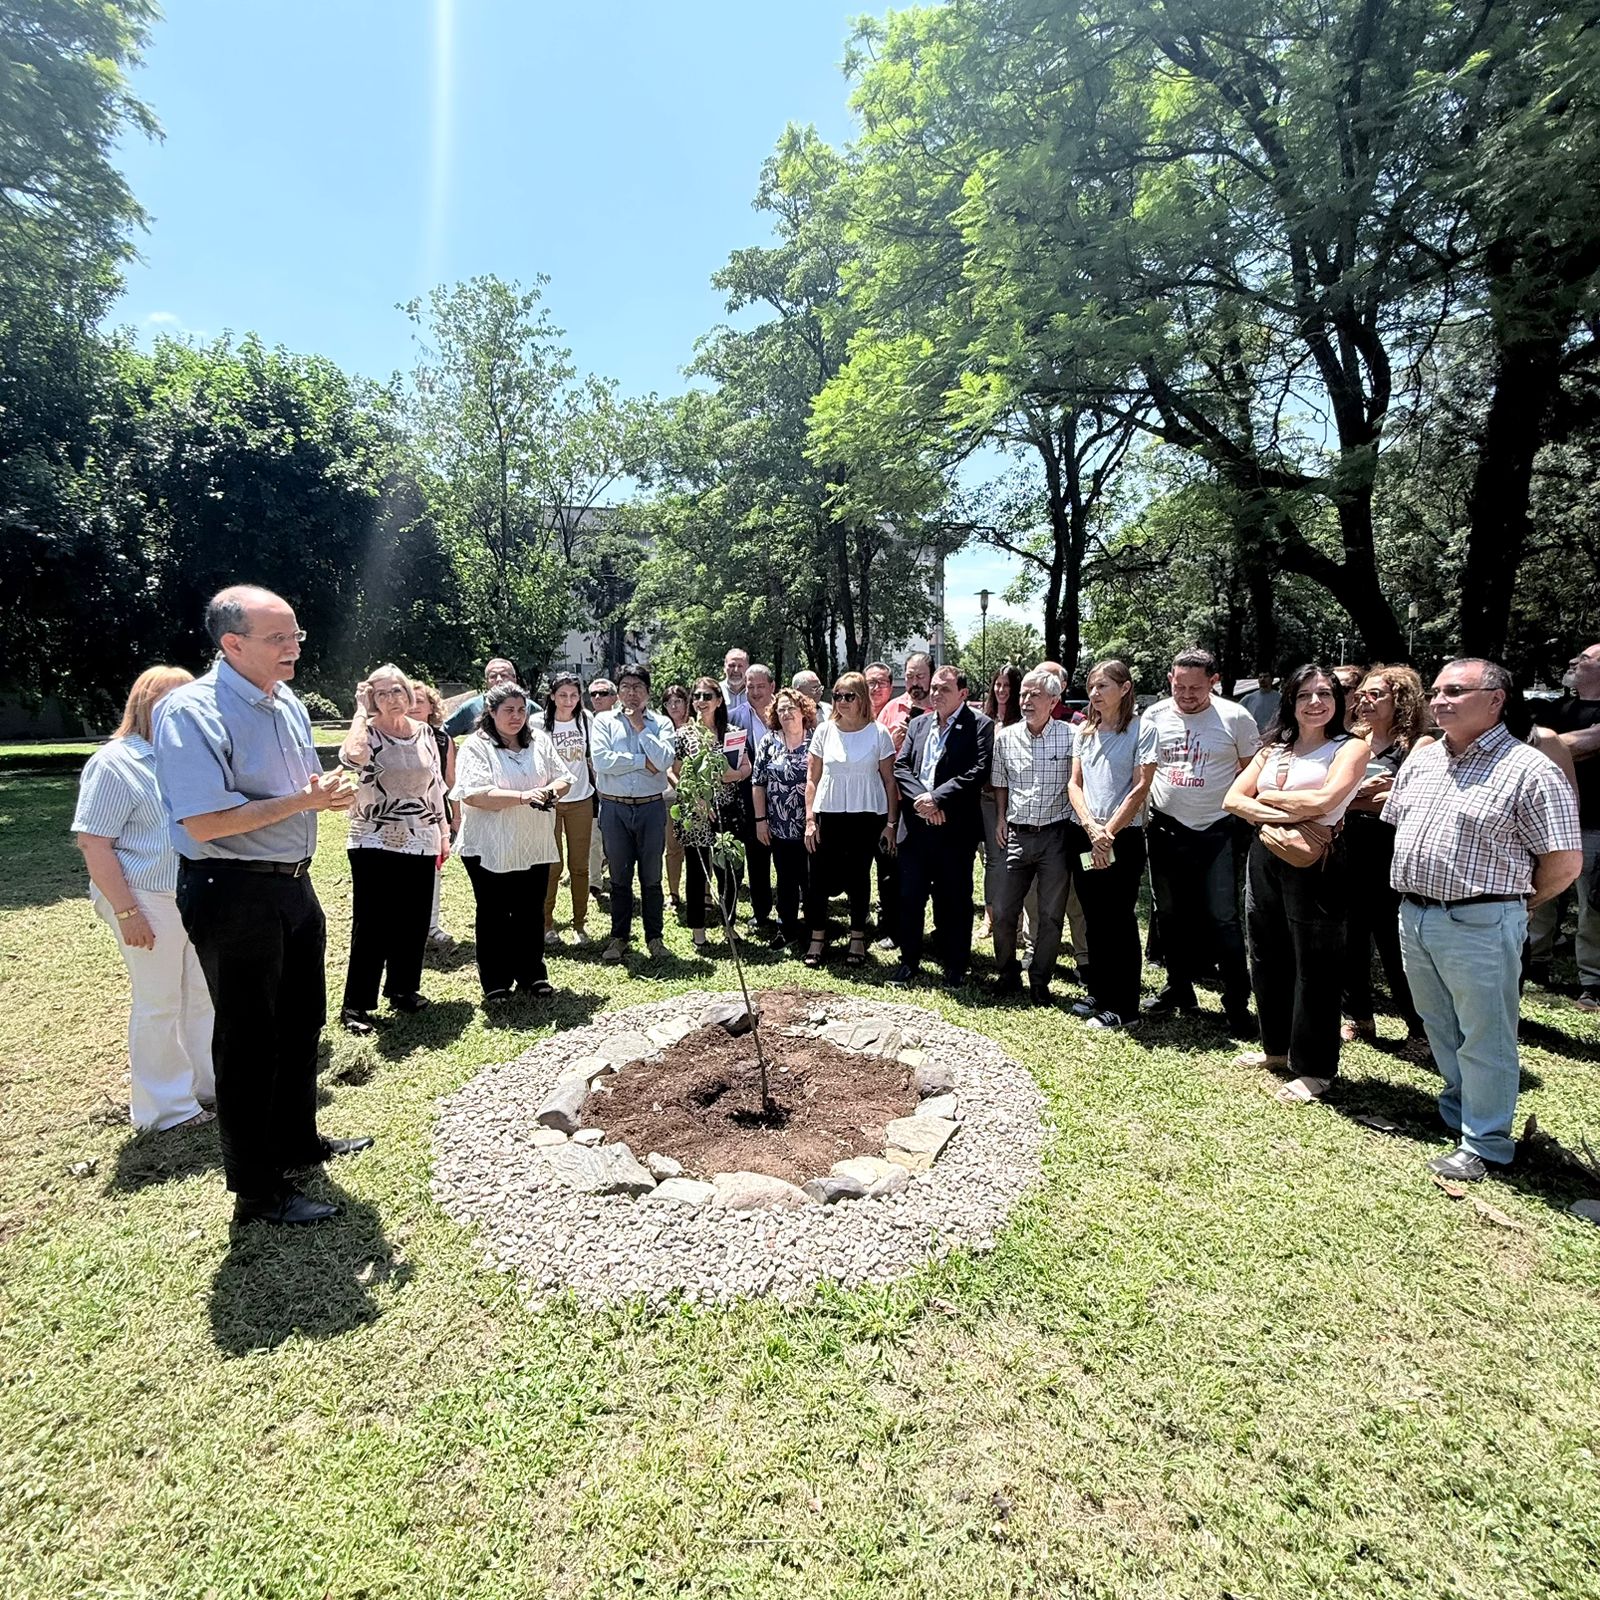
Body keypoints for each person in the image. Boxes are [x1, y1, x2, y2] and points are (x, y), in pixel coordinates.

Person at [154, 584, 367, 1227]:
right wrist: (306, 804)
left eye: (296, 635)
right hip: (231, 889)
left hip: (291, 884)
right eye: (279, 638)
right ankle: (257, 1190)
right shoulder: (192, 712)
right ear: (233, 644)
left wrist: (321, 791)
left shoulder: (288, 704)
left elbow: (294, 787)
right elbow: (206, 822)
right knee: (249, 1039)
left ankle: (298, 1140)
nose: (295, 648)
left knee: (301, 1021)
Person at [1386, 658, 1581, 1181]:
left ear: (1495, 700)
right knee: (1440, 1024)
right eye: (1437, 691)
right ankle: (1458, 1112)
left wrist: (1511, 905)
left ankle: (1487, 1142)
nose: (1440, 699)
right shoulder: (1424, 760)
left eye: (1455, 691)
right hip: (1416, 915)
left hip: (1481, 921)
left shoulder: (1531, 769)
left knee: (1487, 1033)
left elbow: (1564, 863)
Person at [74, 666, 216, 1133]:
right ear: (143, 704)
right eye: (167, 699)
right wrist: (126, 911)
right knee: (158, 1002)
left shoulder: (188, 757)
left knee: (200, 995)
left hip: (193, 893)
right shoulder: (115, 762)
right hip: (146, 896)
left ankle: (206, 1086)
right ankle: (164, 1109)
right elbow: (95, 843)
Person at [1224, 665, 1369, 1101]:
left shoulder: (1350, 747)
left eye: (1325, 694)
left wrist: (1266, 801)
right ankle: (1277, 1050)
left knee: (1317, 966)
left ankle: (1315, 1068)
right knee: (1266, 954)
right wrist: (1291, 810)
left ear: (1337, 701)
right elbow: (1233, 799)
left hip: (1318, 860)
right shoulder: (1274, 748)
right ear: (1290, 701)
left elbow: (1328, 800)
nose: (1315, 702)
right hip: (1265, 854)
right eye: (1305, 695)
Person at [1142, 647, 1260, 1033]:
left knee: (1222, 918)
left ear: (1214, 681)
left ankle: (1236, 1002)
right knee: (1169, 913)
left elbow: (1252, 774)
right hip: (1165, 827)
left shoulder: (1236, 718)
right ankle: (1179, 987)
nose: (1187, 695)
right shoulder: (1155, 715)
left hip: (1217, 830)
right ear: (1170, 681)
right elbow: (1146, 772)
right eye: (1179, 686)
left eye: (1196, 687)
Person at [337, 664, 448, 1034]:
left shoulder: (424, 732)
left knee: (413, 919)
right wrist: (358, 712)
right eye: (381, 693)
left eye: (396, 691)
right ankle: (356, 1005)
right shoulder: (366, 732)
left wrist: (442, 833)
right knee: (373, 923)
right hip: (374, 836)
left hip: (421, 834)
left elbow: (435, 788)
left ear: (409, 694)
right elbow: (353, 757)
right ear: (372, 698)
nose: (391, 699)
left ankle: (403, 989)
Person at [453, 681, 570, 1002]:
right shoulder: (476, 746)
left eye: (521, 709)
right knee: (494, 914)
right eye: (508, 710)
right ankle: (495, 981)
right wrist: (523, 796)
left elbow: (564, 778)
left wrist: (550, 791)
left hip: (532, 842)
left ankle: (532, 974)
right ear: (490, 712)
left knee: (530, 911)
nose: (516, 716)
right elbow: (475, 795)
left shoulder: (539, 741)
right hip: (489, 845)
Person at [1341, 666, 1433, 1051]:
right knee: (1350, 939)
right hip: (1348, 850)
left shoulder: (1420, 746)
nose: (1364, 700)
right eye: (1362, 693)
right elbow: (1335, 795)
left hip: (1392, 855)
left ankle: (1420, 1030)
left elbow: (1404, 799)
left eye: (1376, 694)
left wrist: (1351, 794)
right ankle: (1358, 1017)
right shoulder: (1353, 742)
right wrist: (1361, 794)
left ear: (1402, 699)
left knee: (1396, 946)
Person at [1066, 660, 1158, 1029]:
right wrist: (1091, 827)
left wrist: (1109, 833)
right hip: (1086, 836)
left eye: (1103, 686)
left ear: (1124, 689)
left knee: (1119, 919)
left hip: (1124, 838)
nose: (1095, 693)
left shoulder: (1142, 729)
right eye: (1091, 686)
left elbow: (1140, 786)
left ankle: (1125, 1007)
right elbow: (1075, 784)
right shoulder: (1084, 731)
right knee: (1095, 916)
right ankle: (1101, 992)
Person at [893, 666, 993, 988]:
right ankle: (909, 961)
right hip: (916, 827)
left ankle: (955, 965)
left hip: (954, 829)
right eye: (933, 688)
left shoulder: (979, 725)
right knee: (909, 897)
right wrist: (923, 800)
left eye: (944, 689)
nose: (935, 694)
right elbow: (901, 766)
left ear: (963, 694)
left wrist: (937, 799)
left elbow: (979, 770)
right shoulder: (919, 723)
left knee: (954, 900)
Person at [990, 667, 1077, 1005]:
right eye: (1023, 693)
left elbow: (1077, 784)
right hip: (1017, 835)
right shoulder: (1006, 737)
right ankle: (1007, 973)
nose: (1025, 700)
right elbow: (1000, 782)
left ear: (1054, 700)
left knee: (1051, 915)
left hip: (1055, 837)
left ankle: (1040, 981)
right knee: (1002, 910)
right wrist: (1000, 817)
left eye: (1034, 694)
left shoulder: (1071, 737)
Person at [804, 670, 899, 968]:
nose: (842, 702)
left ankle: (857, 937)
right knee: (818, 878)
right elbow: (812, 779)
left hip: (866, 816)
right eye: (837, 696)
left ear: (862, 699)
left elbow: (889, 782)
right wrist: (809, 819)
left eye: (849, 696)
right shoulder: (823, 731)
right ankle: (817, 938)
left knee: (859, 877)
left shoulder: (878, 733)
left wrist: (891, 824)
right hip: (827, 815)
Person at [591, 664, 675, 963]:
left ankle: (655, 937)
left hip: (651, 806)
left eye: (638, 687)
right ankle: (619, 936)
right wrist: (643, 761)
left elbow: (664, 760)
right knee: (619, 877)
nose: (631, 693)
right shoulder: (602, 721)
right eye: (625, 686)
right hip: (614, 807)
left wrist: (641, 728)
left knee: (652, 877)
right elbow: (602, 761)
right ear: (617, 691)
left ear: (648, 692)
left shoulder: (661, 723)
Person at [1534, 643, 1600, 1002]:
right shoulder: (1559, 708)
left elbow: (1571, 745)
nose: (1574, 661)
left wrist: (1550, 745)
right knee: (1542, 894)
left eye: (1585, 659)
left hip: (1594, 823)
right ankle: (1535, 959)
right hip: (1550, 821)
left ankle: (1593, 981)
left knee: (1593, 905)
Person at [671, 677, 749, 950]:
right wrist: (694, 798)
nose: (701, 701)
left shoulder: (733, 733)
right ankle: (698, 931)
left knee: (729, 872)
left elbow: (746, 767)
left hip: (728, 811)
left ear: (718, 700)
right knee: (697, 872)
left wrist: (735, 775)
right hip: (698, 814)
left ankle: (729, 924)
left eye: (707, 696)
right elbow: (675, 771)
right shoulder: (684, 734)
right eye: (697, 696)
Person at [753, 687, 817, 948]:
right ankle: (786, 929)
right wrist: (760, 821)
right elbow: (758, 783)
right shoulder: (769, 741)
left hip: (811, 826)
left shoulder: (817, 739)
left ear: (803, 710)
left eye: (791, 707)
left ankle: (815, 931)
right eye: (781, 709)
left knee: (811, 880)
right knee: (785, 879)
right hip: (778, 827)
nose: (787, 713)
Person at [541, 672, 595, 945]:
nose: (568, 700)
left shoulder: (586, 720)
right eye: (562, 695)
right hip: (549, 803)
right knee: (552, 866)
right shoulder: (538, 723)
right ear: (552, 696)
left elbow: (593, 758)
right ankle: (547, 924)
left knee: (579, 866)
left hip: (581, 800)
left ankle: (579, 924)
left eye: (574, 695)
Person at [727, 663, 777, 933]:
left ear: (772, 687)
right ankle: (761, 913)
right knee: (757, 857)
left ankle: (792, 912)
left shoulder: (786, 715)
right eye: (750, 687)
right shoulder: (733, 718)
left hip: (783, 799)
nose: (755, 692)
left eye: (761, 686)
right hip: (747, 799)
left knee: (785, 859)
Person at [410, 682, 459, 952]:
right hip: (399, 819)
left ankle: (430, 926)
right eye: (410, 700)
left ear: (432, 707)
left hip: (434, 816)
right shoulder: (389, 734)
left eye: (421, 701)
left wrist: (457, 818)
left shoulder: (442, 739)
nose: (415, 706)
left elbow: (450, 781)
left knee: (433, 872)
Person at [980, 665, 1024, 939]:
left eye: (1008, 685)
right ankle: (990, 917)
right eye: (998, 685)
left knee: (1015, 861)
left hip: (1015, 799)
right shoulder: (984, 720)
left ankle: (1017, 921)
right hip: (985, 798)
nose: (1002, 690)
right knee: (992, 861)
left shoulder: (1023, 721)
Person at [660, 683, 692, 909]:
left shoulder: (696, 727)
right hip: (670, 794)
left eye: (678, 701)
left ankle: (705, 892)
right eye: (669, 702)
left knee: (699, 846)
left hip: (698, 796)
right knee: (673, 847)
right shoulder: (661, 729)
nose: (673, 705)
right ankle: (673, 893)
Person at [586, 678, 618, 899]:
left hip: (616, 791)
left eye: (603, 693)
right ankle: (594, 883)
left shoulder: (622, 721)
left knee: (615, 841)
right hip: (590, 791)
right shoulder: (584, 721)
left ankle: (617, 879)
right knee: (593, 839)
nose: (598, 698)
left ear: (614, 697)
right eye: (594, 694)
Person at [443, 656, 518, 738]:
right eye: (493, 676)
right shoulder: (471, 707)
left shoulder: (528, 706)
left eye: (504, 675)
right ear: (486, 681)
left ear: (514, 678)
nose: (499, 680)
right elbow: (443, 734)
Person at [876, 652, 932, 749]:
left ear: (932, 676)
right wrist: (891, 744)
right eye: (909, 676)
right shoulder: (891, 708)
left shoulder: (942, 710)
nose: (914, 683)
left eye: (920, 677)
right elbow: (874, 748)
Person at [1237, 671, 1280, 736]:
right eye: (1260, 677)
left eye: (1265, 677)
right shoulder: (1249, 698)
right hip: (1254, 737)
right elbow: (1235, 713)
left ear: (1272, 680)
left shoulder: (1280, 698)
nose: (1262, 679)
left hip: (1274, 736)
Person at [720, 648, 750, 712]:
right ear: (724, 668)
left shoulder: (755, 692)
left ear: (747, 668)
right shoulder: (716, 691)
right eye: (732, 665)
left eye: (740, 666)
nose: (736, 670)